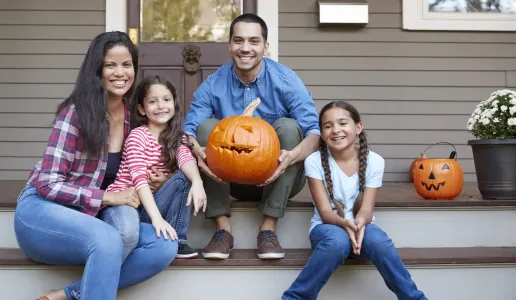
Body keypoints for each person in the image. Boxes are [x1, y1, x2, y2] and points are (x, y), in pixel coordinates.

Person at [13, 31, 183, 300]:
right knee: (108, 240)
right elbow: (47, 183)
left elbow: (142, 157)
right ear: (97, 70)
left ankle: (68, 294)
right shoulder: (76, 114)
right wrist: (108, 196)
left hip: (96, 213)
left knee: (164, 245)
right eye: (110, 65)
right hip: (44, 212)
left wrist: (160, 176)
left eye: (127, 65)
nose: (120, 72)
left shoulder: (132, 117)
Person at [183, 13, 321, 260]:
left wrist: (291, 156)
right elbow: (189, 132)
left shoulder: (286, 80)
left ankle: (268, 228)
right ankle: (222, 230)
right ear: (230, 45)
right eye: (239, 41)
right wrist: (197, 151)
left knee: (289, 127)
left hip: (278, 176)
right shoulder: (214, 83)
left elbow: (314, 135)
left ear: (266, 46)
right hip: (228, 179)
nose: (245, 48)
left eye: (254, 41)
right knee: (206, 128)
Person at [281, 101, 427, 300]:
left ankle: (413, 297)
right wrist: (344, 224)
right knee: (337, 241)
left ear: (358, 127)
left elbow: (366, 210)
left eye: (343, 123)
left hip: (362, 230)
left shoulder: (375, 161)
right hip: (327, 229)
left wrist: (358, 224)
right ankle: (295, 297)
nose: (336, 130)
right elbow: (325, 213)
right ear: (322, 134)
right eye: (328, 126)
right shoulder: (313, 161)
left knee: (378, 240)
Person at [106, 74, 207, 259]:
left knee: (186, 177)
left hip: (153, 203)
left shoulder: (179, 137)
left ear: (173, 103)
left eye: (166, 100)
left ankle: (179, 241)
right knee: (127, 232)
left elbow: (186, 159)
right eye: (153, 101)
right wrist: (157, 218)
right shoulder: (138, 136)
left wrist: (197, 182)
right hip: (128, 203)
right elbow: (139, 180)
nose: (161, 106)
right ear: (142, 109)